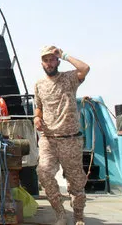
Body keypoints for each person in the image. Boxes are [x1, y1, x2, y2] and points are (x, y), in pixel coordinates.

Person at [34, 45, 91, 225]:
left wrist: (65, 55)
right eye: (46, 60)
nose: (49, 63)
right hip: (49, 140)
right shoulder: (39, 85)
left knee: (76, 183)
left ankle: (79, 217)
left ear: (57, 60)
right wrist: (37, 118)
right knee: (43, 173)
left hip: (71, 140)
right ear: (41, 63)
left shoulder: (69, 78)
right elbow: (39, 107)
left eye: (52, 59)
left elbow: (85, 68)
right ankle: (60, 214)